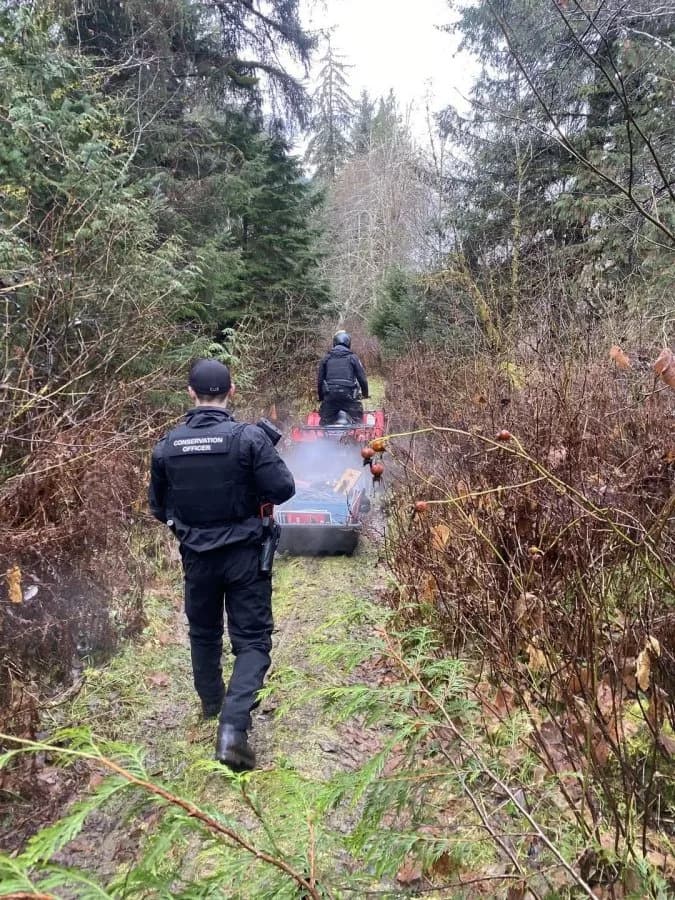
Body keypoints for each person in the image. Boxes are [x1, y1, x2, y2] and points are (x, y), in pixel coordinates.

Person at [148, 359, 295, 772]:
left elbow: (158, 508)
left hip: (197, 557)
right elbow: (284, 488)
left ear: (191, 393)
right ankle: (232, 729)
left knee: (204, 631)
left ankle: (212, 703)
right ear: (231, 391)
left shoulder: (167, 445)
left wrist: (193, 530)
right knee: (252, 641)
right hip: (245, 556)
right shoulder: (249, 438)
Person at [317, 331, 369, 425]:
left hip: (330, 396)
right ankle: (358, 438)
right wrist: (365, 394)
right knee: (358, 422)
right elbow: (362, 379)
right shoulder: (353, 358)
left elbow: (320, 380)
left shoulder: (326, 358)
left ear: (334, 343)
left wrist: (321, 397)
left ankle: (324, 438)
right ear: (348, 343)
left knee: (324, 422)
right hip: (348, 396)